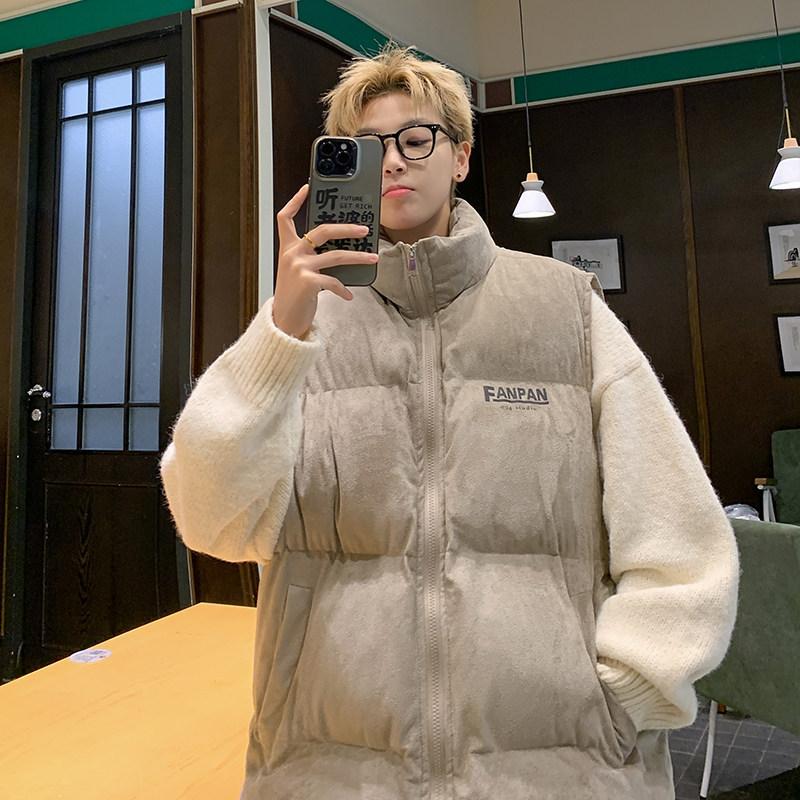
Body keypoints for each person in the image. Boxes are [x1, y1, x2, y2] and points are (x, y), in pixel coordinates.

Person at [159, 40, 740, 800]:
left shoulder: (564, 308)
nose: (392, 163)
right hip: (330, 765)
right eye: (366, 149)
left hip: (560, 766)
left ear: (460, 156)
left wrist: (623, 695)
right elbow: (210, 521)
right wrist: (281, 329)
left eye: (415, 138)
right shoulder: (302, 329)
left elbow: (681, 539)